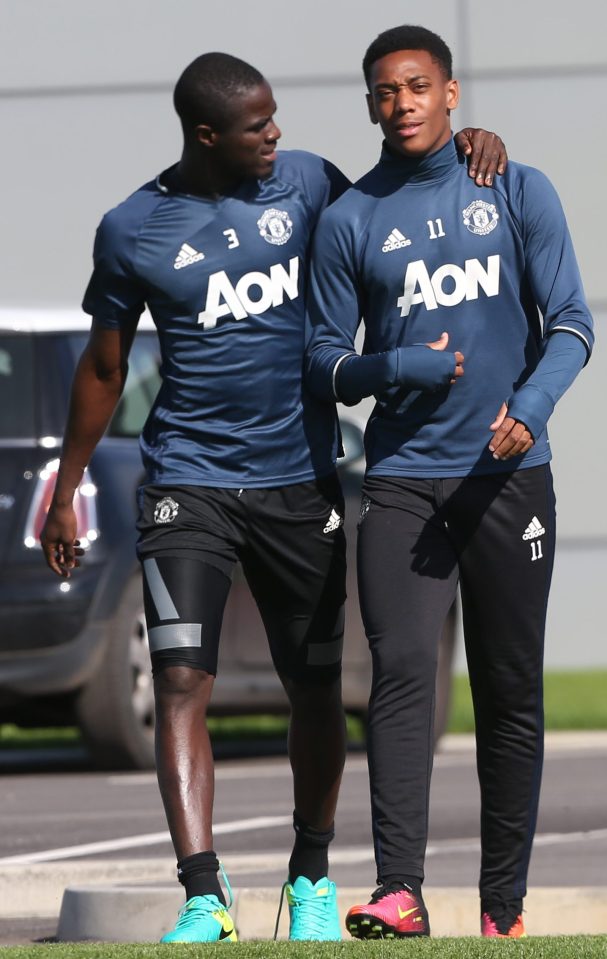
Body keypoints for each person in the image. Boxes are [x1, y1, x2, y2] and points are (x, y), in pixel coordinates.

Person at [40, 50, 507, 943]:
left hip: (302, 482)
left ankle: (309, 875)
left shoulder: (306, 184)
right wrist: (67, 487)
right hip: (188, 482)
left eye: (275, 118)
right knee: (181, 678)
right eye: (258, 125)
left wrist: (469, 146)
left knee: (315, 686)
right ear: (207, 135)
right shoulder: (133, 227)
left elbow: (395, 200)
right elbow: (104, 367)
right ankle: (204, 894)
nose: (277, 134)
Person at [305, 25, 593, 941]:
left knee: (509, 690)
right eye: (384, 92)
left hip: (509, 480)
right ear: (369, 105)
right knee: (399, 678)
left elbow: (574, 324)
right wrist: (395, 368)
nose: (402, 105)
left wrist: (532, 404)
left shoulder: (511, 186)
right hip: (399, 483)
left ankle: (501, 909)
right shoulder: (350, 219)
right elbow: (321, 360)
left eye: (417, 87)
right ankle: (400, 890)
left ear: (450, 93)